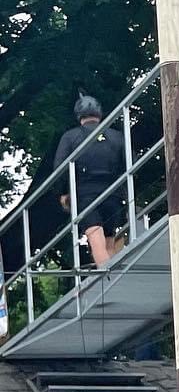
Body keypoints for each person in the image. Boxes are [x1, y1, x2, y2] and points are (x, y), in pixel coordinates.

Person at [53, 94, 124, 267]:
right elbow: (131, 162)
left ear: (79, 115)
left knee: (96, 239)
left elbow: (60, 168)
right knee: (109, 241)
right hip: (113, 193)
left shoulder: (71, 137)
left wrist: (62, 193)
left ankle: (110, 282)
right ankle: (116, 277)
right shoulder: (117, 136)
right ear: (99, 114)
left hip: (85, 194)